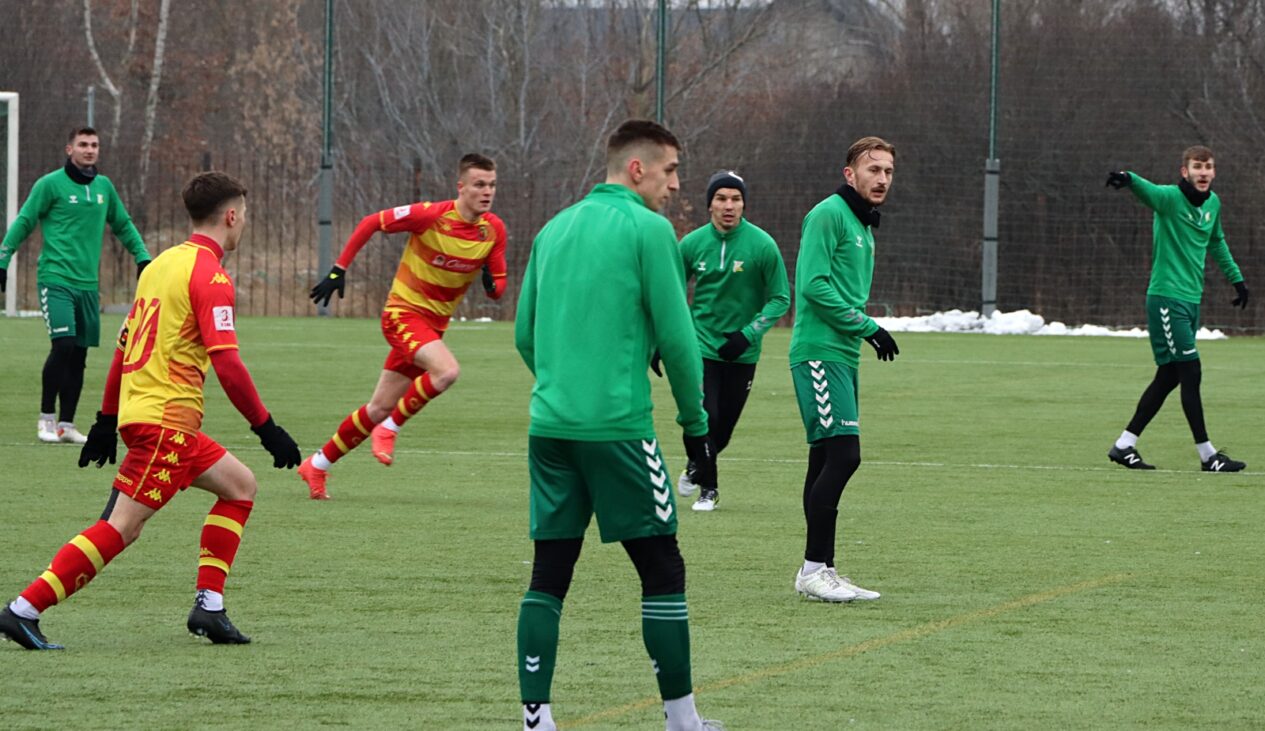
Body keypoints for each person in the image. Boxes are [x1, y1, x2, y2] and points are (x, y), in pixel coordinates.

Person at [0, 171, 301, 650]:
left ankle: (210, 607)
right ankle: (24, 609)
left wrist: (103, 419)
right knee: (122, 526)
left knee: (240, 487)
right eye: (243, 216)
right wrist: (267, 428)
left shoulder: (161, 265)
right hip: (168, 423)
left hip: (150, 417)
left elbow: (124, 346)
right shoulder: (211, 275)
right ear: (230, 216)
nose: (244, 224)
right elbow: (227, 363)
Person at [513, 119, 722, 731]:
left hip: (549, 429)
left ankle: (536, 719)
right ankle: (683, 722)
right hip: (620, 432)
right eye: (672, 170)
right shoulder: (650, 229)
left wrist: (565, 382)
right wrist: (695, 424)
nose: (677, 185)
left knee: (549, 572)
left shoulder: (553, 229)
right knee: (662, 567)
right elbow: (679, 341)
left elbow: (526, 335)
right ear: (638, 169)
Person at [299, 154, 507, 500]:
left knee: (377, 406)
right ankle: (390, 429)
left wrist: (488, 281)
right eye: (479, 185)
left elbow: (498, 290)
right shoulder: (431, 216)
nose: (487, 192)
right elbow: (371, 222)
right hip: (403, 315)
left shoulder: (493, 231)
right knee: (447, 372)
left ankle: (317, 464)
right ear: (461, 187)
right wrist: (338, 269)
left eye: (492, 185)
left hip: (432, 328)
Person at [788, 136, 899, 603]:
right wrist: (867, 326)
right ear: (849, 174)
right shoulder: (828, 214)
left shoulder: (862, 225)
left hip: (841, 354)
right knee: (844, 456)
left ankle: (821, 569)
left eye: (889, 171)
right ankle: (814, 568)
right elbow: (811, 284)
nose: (882, 179)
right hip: (819, 351)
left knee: (825, 458)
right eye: (873, 169)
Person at [0, 127, 151, 445]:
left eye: (94, 145)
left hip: (87, 285)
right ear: (70, 149)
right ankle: (46, 419)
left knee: (79, 354)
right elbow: (25, 220)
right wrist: (3, 259)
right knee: (63, 345)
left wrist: (142, 257)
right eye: (83, 144)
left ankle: (66, 425)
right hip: (55, 279)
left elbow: (122, 224)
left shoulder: (104, 187)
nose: (89, 149)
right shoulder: (50, 184)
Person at [1105, 146, 1249, 472]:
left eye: (1208, 167)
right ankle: (1207, 455)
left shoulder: (1213, 204)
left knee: (1169, 376)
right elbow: (1149, 191)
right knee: (1191, 372)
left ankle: (1124, 445)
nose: (1203, 172)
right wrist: (1129, 178)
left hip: (1190, 300)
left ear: (1213, 172)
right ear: (1185, 172)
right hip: (1166, 300)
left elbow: (1217, 242)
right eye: (1197, 167)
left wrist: (1237, 280)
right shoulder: (1170, 199)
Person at [665, 170, 789, 512]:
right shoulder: (690, 244)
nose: (728, 205)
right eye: (721, 198)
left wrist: (748, 334)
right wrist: (665, 340)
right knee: (705, 415)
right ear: (710, 205)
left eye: (735, 199)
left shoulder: (762, 245)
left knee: (724, 431)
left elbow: (780, 298)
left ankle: (696, 464)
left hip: (742, 353)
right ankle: (709, 488)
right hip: (700, 346)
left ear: (744, 204)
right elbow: (670, 295)